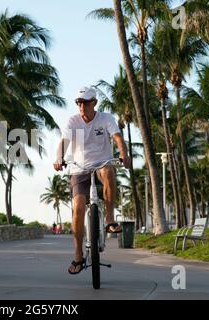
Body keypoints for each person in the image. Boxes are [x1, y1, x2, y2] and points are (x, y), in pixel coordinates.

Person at [53, 86, 130, 275]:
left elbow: (117, 137)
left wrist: (123, 153)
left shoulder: (106, 119)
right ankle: (78, 254)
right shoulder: (73, 121)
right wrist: (58, 158)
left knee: (109, 171)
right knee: (78, 207)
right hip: (79, 168)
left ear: (94, 102)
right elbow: (64, 142)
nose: (82, 106)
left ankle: (110, 219)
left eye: (86, 102)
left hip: (102, 163)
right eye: (79, 102)